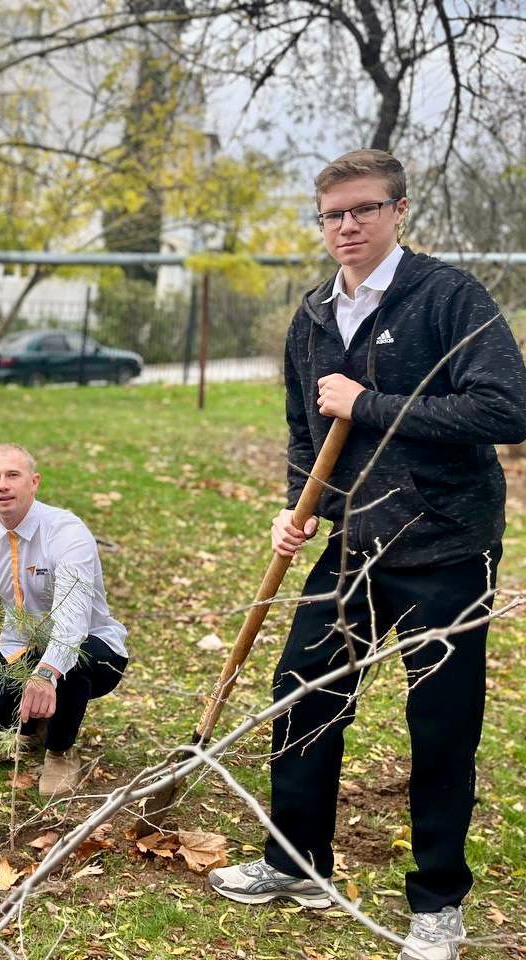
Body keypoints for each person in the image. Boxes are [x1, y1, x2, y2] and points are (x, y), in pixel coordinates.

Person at [208, 150, 526, 960]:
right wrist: (297, 507)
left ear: (399, 211)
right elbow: (302, 425)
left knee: (441, 725)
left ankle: (437, 906)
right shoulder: (314, 313)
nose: (345, 227)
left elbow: (505, 408)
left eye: (362, 210)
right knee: (303, 691)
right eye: (331, 215)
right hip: (349, 543)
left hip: (444, 545)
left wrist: (371, 403)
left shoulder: (449, 296)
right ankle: (297, 860)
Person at [0, 443, 128, 797]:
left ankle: (60, 751)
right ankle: (35, 723)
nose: (3, 485)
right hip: (22, 648)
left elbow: (73, 618)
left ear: (34, 482)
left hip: (94, 647)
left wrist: (46, 674)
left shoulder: (67, 531)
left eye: (13, 475)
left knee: (71, 663)